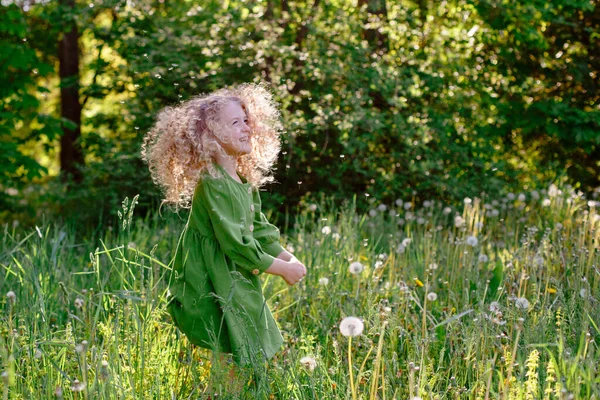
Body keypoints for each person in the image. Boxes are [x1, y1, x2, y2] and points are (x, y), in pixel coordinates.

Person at [141, 82, 306, 386]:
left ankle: (237, 389)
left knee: (243, 337)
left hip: (233, 276)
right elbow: (236, 245)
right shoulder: (214, 183)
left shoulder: (240, 180)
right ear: (211, 137)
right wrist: (282, 269)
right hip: (208, 279)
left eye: (247, 120)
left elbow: (260, 230)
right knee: (226, 344)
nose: (247, 128)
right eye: (236, 122)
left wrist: (286, 256)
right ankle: (223, 391)